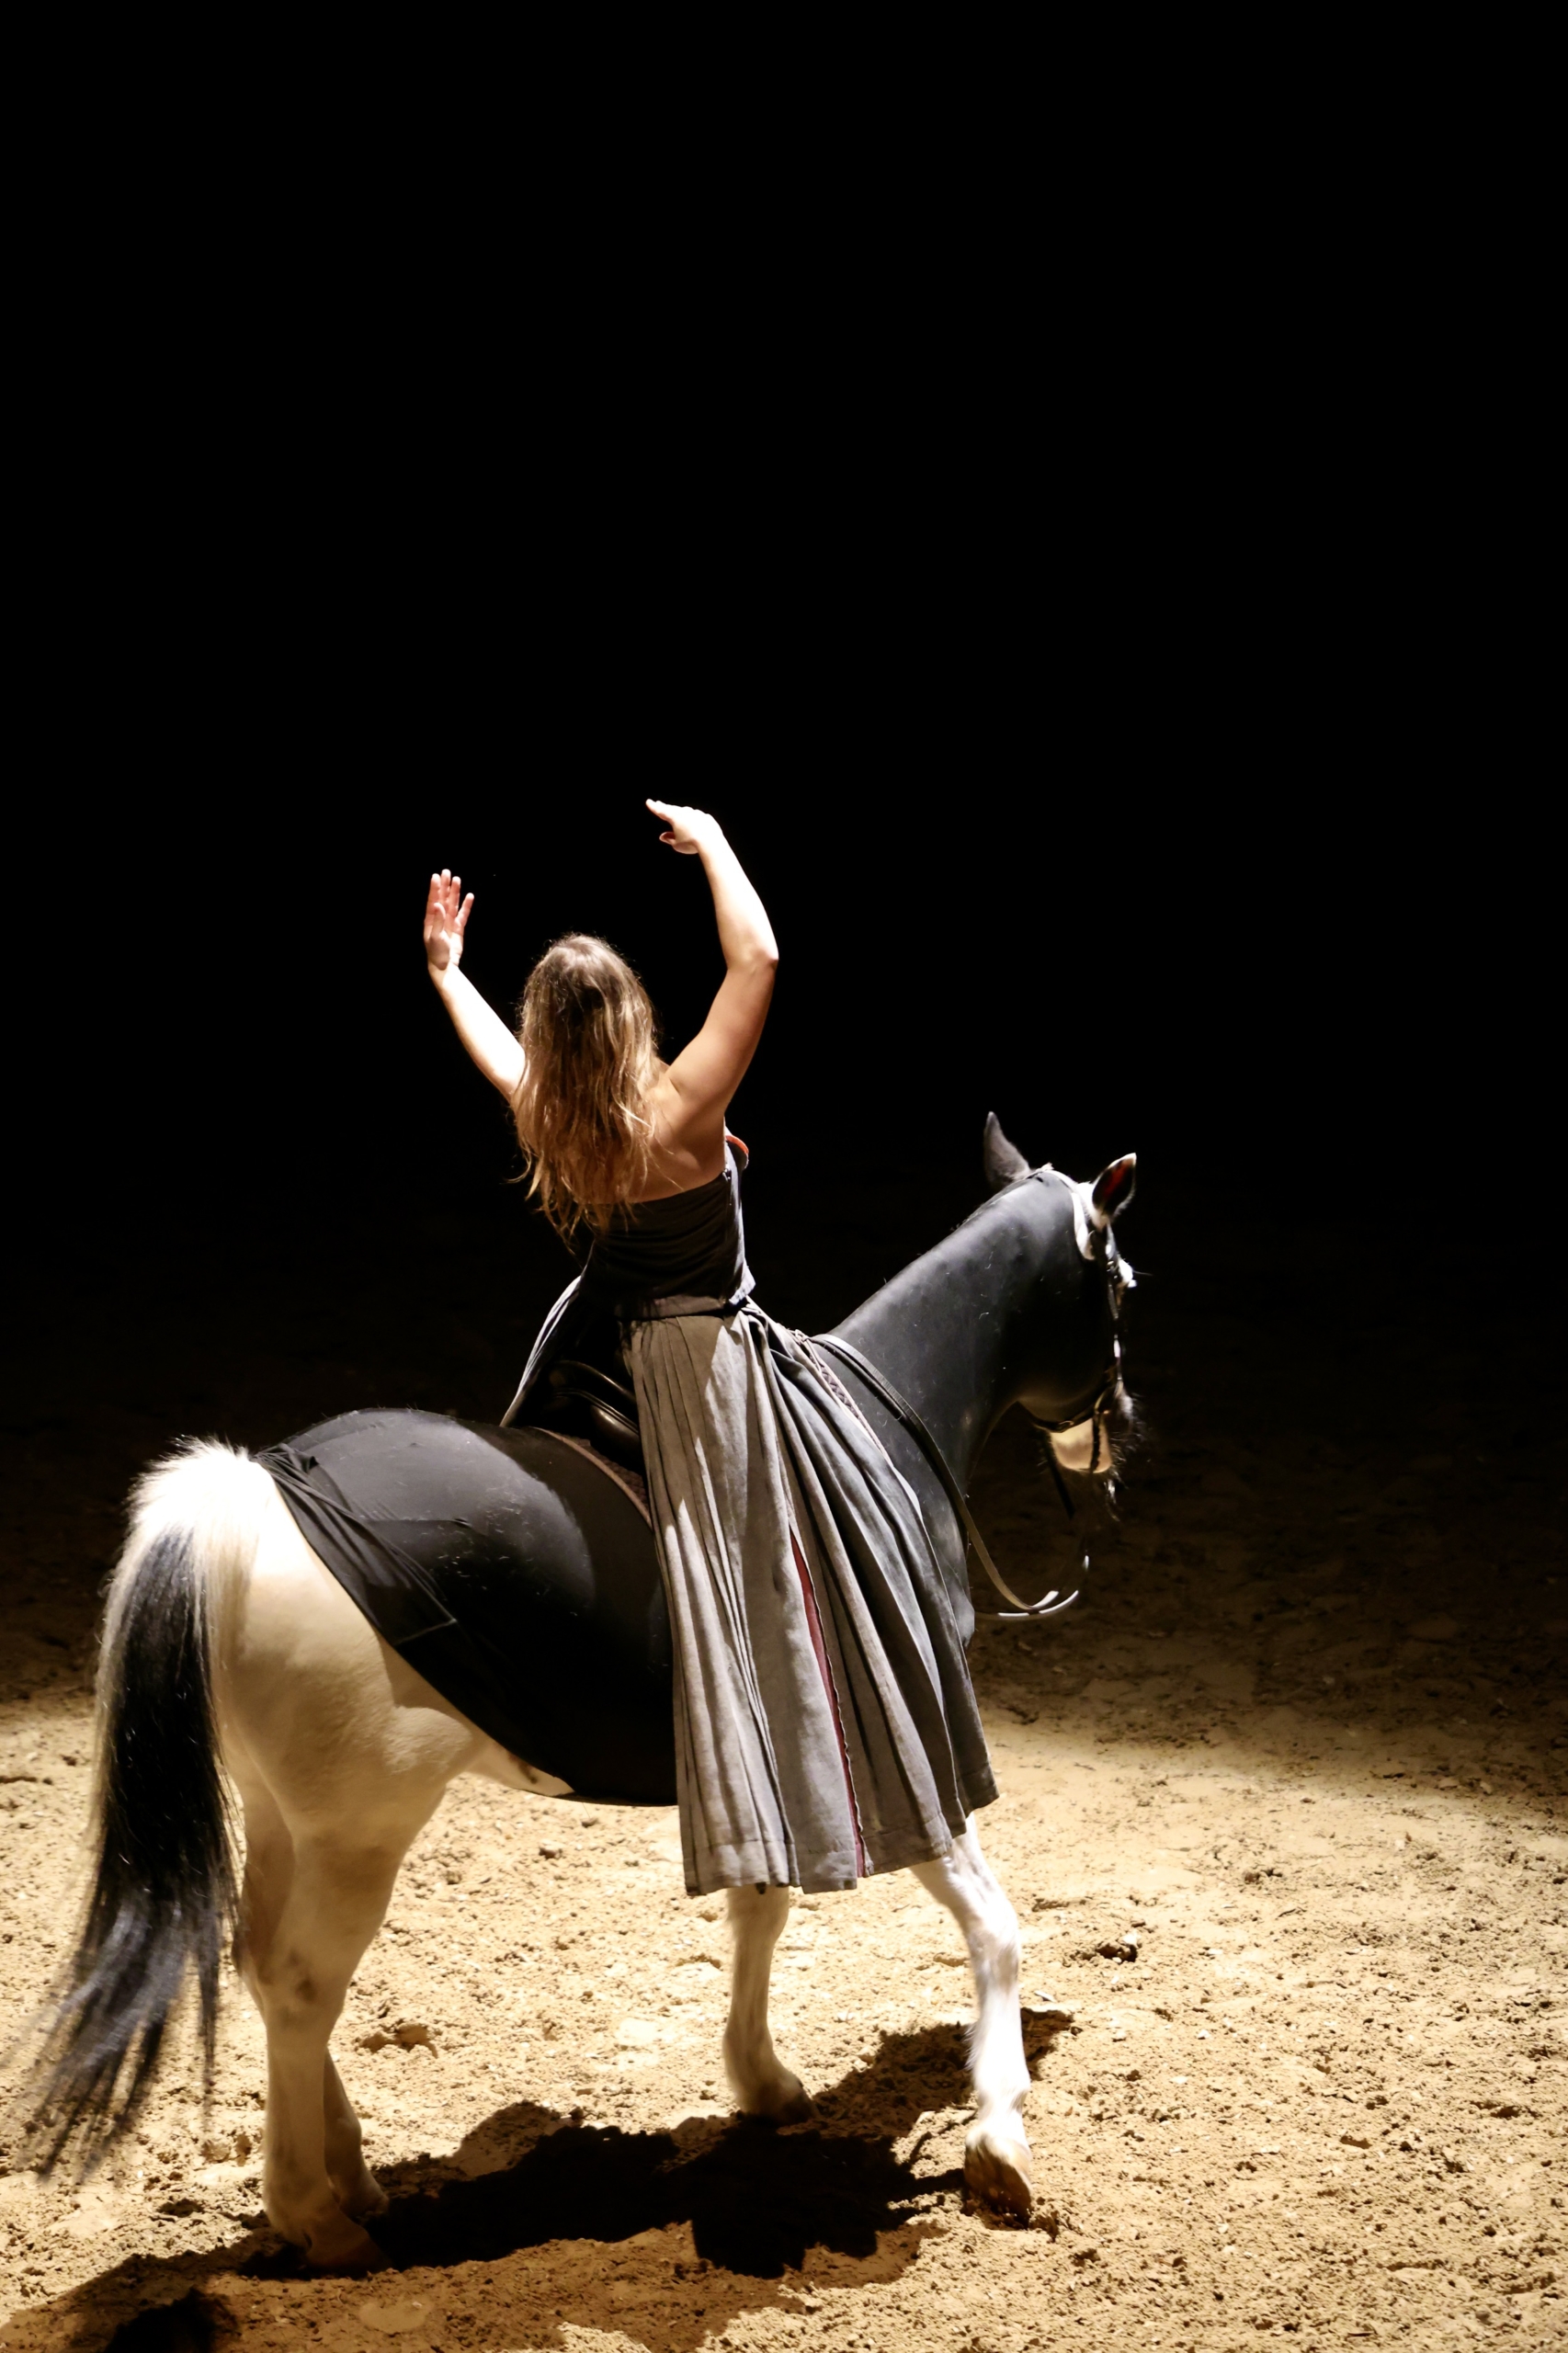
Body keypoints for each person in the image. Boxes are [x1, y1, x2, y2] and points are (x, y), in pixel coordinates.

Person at [422, 800, 995, 1898]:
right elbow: (759, 954)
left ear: (550, 1041)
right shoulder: (681, 1105)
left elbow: (499, 1058)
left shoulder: (552, 1114)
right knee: (799, 1556)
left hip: (600, 1340)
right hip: (710, 1364)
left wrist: (449, 970)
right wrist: (716, 841)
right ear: (634, 1015)